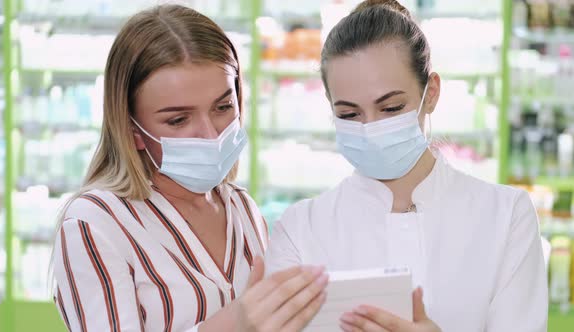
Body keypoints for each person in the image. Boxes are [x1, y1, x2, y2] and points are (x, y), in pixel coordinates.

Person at [265, 1, 548, 331]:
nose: (370, 129)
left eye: (391, 108)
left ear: (431, 94)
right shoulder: (300, 230)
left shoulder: (506, 216)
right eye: (349, 114)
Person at [51, 5, 328, 332]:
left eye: (223, 107)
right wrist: (231, 325)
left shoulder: (241, 208)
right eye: (178, 120)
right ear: (132, 130)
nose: (211, 134)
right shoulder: (95, 225)